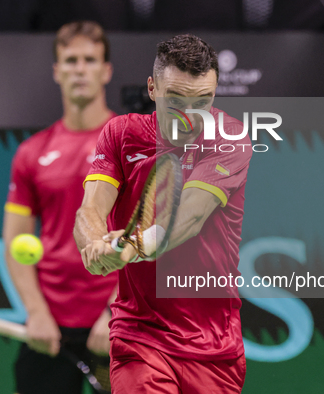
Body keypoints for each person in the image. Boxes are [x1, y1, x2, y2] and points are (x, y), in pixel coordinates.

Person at [74, 34, 251, 393]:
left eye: (203, 101)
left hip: (215, 346)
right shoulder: (121, 134)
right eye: (176, 100)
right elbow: (90, 209)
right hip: (140, 336)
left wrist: (139, 244)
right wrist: (93, 245)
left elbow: (191, 215)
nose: (189, 115)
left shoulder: (229, 136)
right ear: (152, 89)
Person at [2, 21, 117, 394]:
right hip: (50, 325)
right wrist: (36, 313)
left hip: (121, 322)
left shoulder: (134, 144)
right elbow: (15, 240)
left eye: (89, 59)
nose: (79, 69)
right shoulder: (32, 152)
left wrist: (116, 312)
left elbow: (156, 236)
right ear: (56, 71)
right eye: (70, 60)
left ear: (106, 70)